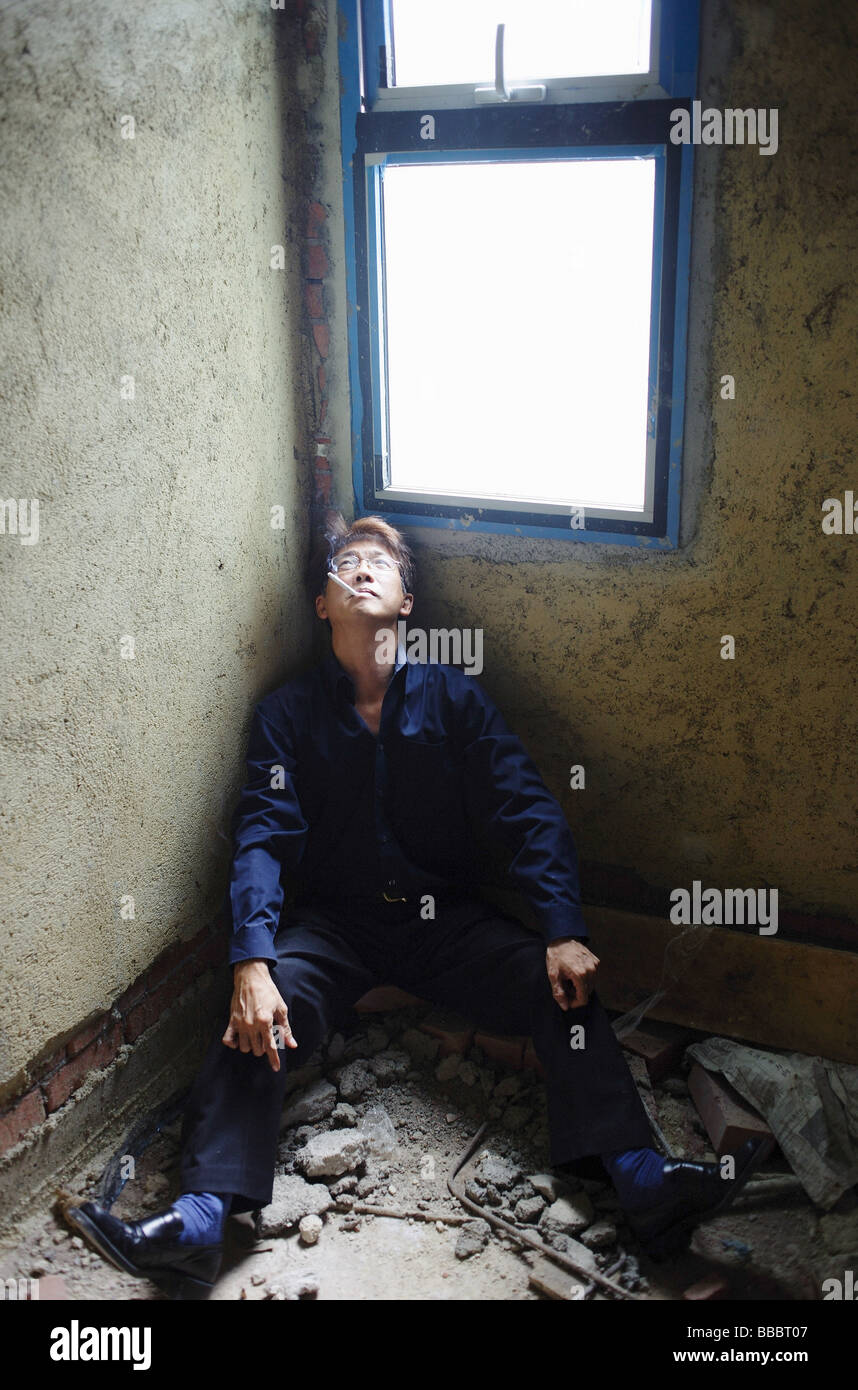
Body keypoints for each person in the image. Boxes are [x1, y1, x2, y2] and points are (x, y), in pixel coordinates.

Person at [67, 513, 768, 1296]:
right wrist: (252, 959)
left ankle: (642, 1179)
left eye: (381, 564)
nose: (361, 569)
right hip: (334, 930)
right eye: (345, 563)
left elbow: (529, 810)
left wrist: (564, 931)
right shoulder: (285, 716)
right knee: (259, 1011)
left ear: (407, 603)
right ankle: (200, 1217)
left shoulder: (453, 699)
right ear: (323, 604)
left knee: (559, 987)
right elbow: (261, 839)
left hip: (447, 922)